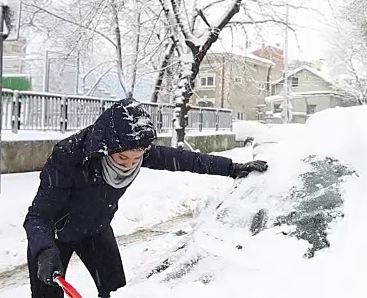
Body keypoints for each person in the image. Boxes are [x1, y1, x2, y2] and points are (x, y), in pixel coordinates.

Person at [23, 98, 268, 298]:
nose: (129, 165)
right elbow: (37, 217)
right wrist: (44, 251)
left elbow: (185, 160)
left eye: (136, 159)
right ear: (105, 149)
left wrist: (231, 168)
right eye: (122, 160)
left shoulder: (136, 149)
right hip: (53, 238)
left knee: (119, 292)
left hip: (95, 230)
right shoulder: (69, 157)